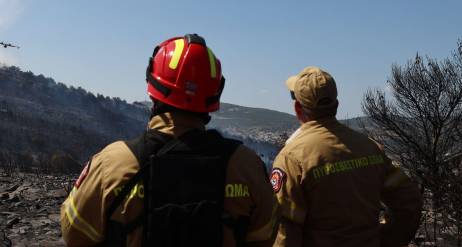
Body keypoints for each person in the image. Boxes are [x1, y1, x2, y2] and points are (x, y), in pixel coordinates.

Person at [61, 34, 278, 247]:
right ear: (215, 93)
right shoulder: (246, 166)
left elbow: (74, 233)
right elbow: (266, 235)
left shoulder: (113, 163)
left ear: (154, 88)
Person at [271, 66, 422, 247]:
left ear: (297, 108)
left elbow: (285, 230)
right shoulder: (369, 147)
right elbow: (409, 201)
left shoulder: (291, 158)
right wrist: (387, 240)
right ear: (336, 105)